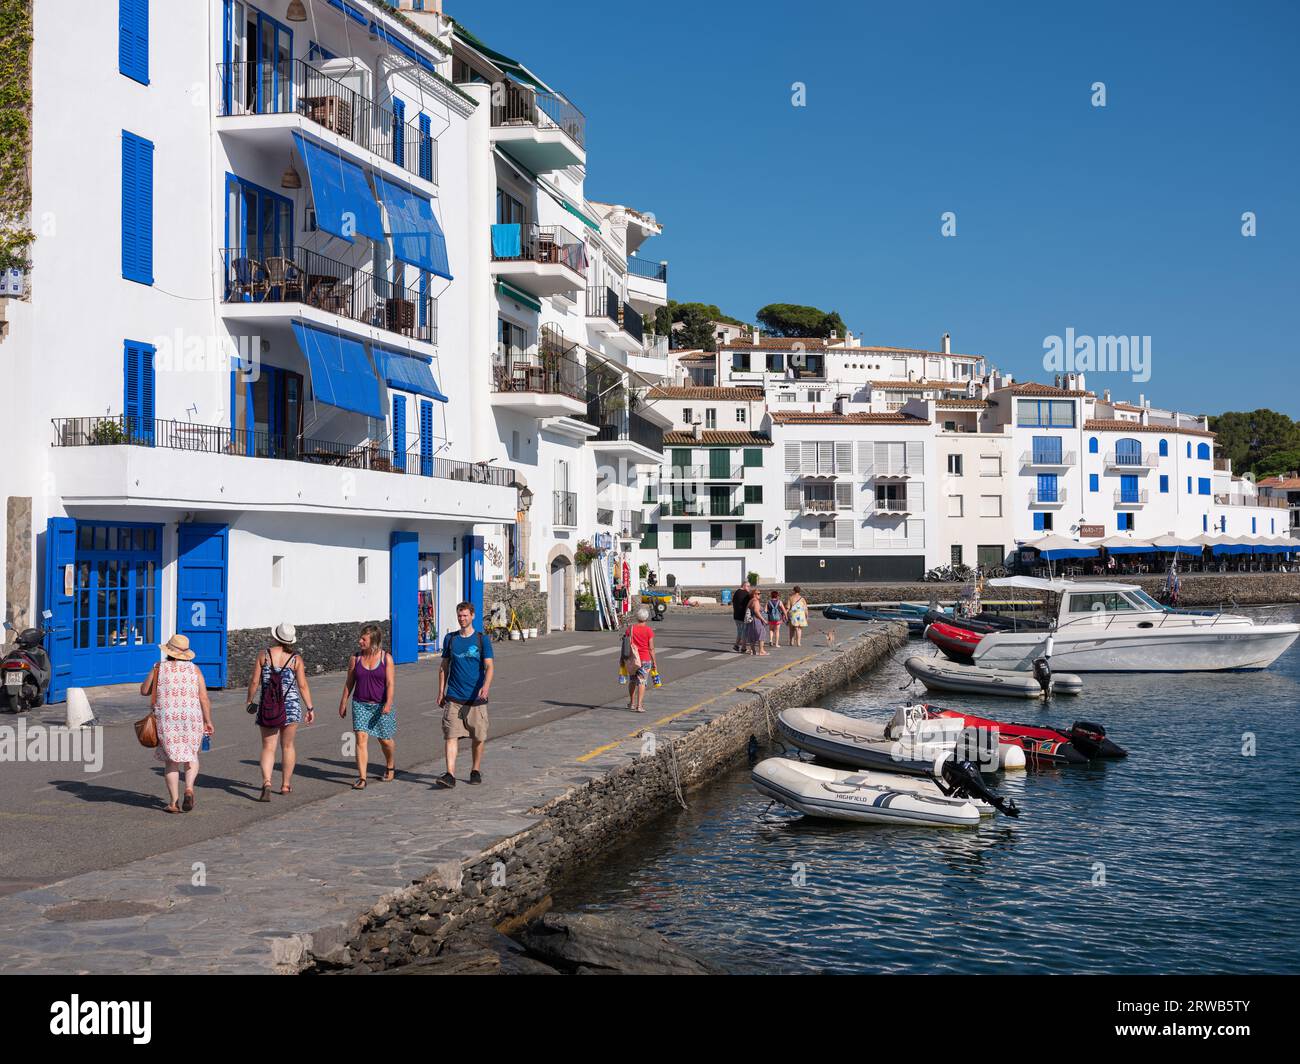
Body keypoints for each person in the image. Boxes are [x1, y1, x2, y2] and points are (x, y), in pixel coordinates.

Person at [141, 634, 213, 814]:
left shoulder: (158, 668)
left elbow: (144, 691)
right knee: (191, 756)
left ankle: (173, 802)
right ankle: (189, 788)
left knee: (171, 761)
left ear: (168, 651)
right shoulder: (194, 669)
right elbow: (203, 697)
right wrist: (208, 720)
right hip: (191, 717)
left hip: (167, 719)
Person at [246, 623, 314, 803]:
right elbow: (302, 685)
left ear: (275, 636)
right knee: (288, 746)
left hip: (268, 706)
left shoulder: (264, 655)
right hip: (290, 706)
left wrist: (249, 701)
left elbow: (254, 682)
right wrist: (310, 707)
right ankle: (285, 784)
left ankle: (267, 782)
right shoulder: (295, 659)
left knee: (268, 747)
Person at [437, 602, 493, 788]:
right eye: (460, 616)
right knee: (450, 735)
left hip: (476, 698)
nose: (462, 619)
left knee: (478, 737)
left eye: (465, 616)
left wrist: (485, 686)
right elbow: (444, 667)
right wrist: (441, 691)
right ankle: (450, 774)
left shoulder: (481, 639)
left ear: (473, 616)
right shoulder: (451, 639)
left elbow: (489, 666)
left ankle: (475, 769)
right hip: (454, 696)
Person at [338, 624, 396, 789]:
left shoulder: (386, 659)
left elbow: (390, 683)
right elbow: (349, 682)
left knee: (385, 740)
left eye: (364, 639)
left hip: (381, 705)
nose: (360, 641)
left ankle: (390, 764)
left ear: (373, 641)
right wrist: (343, 702)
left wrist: (388, 702)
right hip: (360, 704)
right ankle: (362, 778)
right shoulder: (355, 658)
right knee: (361, 739)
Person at [624, 607, 657, 713]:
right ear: (646, 618)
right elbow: (651, 648)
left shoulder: (631, 628)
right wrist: (654, 663)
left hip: (633, 659)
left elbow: (626, 643)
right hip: (645, 659)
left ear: (637, 617)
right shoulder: (648, 630)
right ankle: (639, 705)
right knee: (642, 681)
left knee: (633, 680)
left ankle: (632, 703)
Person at [731, 580, 752, 651]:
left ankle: (736, 645)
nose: (749, 588)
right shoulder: (746, 594)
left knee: (740, 631)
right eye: (748, 586)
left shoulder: (737, 592)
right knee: (744, 632)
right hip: (743, 616)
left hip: (736, 615)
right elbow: (750, 604)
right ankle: (743, 647)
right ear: (744, 586)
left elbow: (733, 602)